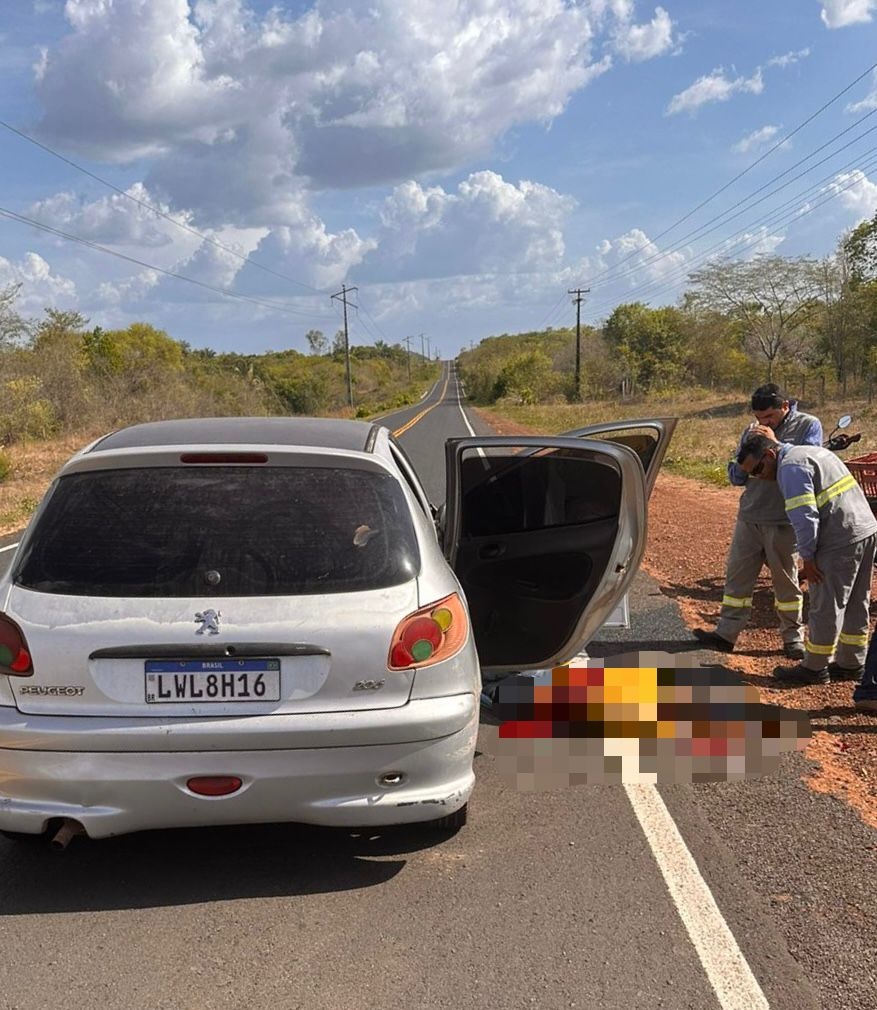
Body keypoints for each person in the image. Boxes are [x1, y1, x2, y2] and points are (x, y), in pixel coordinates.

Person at [734, 431, 877, 688]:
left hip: (838, 538)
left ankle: (815, 667)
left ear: (769, 454)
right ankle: (852, 662)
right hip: (865, 529)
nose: (757, 477)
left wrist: (808, 558)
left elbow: (804, 517)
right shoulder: (810, 453)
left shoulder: (790, 469)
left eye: (756, 470)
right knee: (857, 599)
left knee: (826, 603)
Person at [694, 384, 822, 659]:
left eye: (770, 417)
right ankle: (726, 634)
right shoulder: (750, 430)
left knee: (786, 583)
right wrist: (744, 458)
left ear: (785, 406)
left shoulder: (808, 425)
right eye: (760, 417)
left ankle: (792, 639)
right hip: (750, 516)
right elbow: (735, 475)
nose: (763, 423)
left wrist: (774, 441)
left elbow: (810, 460)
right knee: (737, 579)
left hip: (783, 520)